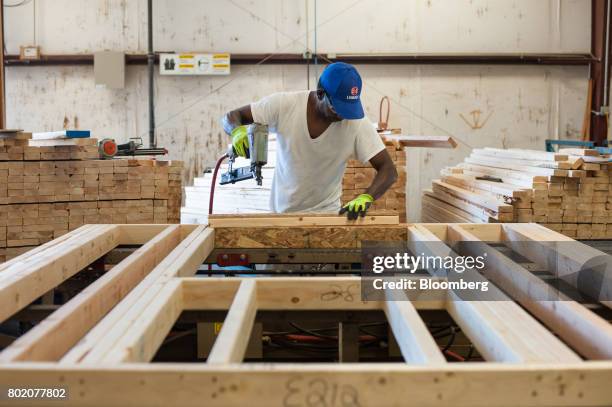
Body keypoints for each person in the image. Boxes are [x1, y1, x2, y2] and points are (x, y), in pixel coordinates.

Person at [222, 62, 398, 220]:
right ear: (321, 94)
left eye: (349, 108)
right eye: (338, 109)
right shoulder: (285, 105)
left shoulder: (356, 123)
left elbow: (388, 170)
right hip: (281, 215)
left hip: (326, 215)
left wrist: (367, 196)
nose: (344, 115)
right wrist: (237, 131)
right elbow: (232, 116)